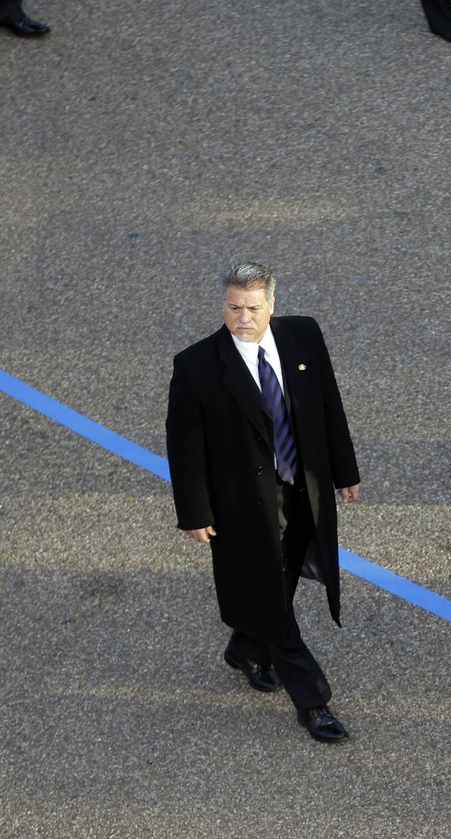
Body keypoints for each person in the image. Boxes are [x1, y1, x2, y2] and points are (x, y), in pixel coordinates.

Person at [166, 263, 362, 744]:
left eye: (253, 308)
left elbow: (328, 404)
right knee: (275, 601)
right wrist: (194, 513)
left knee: (284, 575)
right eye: (234, 307)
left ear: (272, 306)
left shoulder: (303, 337)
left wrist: (345, 472)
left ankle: (245, 648)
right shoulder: (196, 367)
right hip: (241, 506)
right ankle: (313, 702)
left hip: (302, 490)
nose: (243, 317)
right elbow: (185, 448)